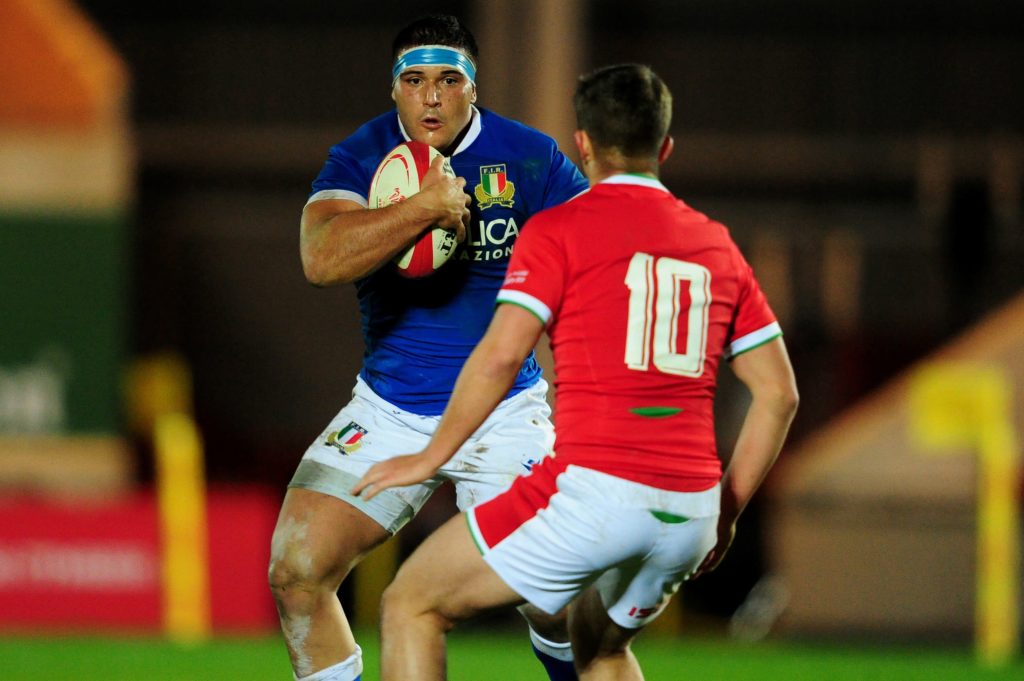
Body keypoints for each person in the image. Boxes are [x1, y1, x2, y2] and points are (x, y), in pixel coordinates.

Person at [352, 63, 800, 680]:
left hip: (595, 494)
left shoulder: (560, 230)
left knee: (411, 602)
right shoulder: (716, 245)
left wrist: (429, 458)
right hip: (689, 509)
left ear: (583, 144)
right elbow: (779, 395)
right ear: (664, 147)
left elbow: (502, 355)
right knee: (601, 646)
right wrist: (724, 510)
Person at [267, 13, 589, 681]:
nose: (432, 97)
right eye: (414, 81)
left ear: (475, 88)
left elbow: (593, 270)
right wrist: (424, 207)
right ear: (394, 90)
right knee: (296, 572)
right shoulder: (360, 156)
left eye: (449, 80)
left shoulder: (530, 157)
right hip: (389, 410)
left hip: (503, 412)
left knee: (555, 602)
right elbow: (320, 258)